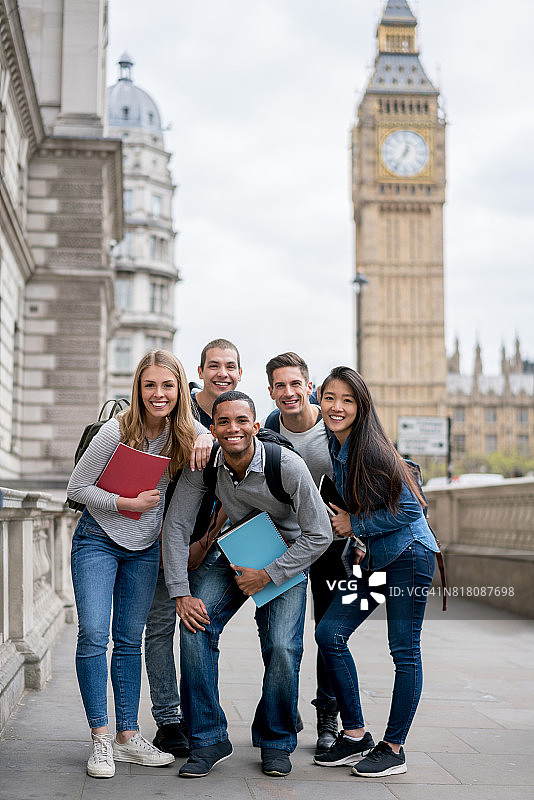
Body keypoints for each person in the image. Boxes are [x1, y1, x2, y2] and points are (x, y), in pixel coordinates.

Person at [162, 390, 332, 778]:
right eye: (223, 421)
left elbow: (319, 533)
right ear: (214, 428)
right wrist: (181, 593)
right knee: (194, 627)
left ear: (255, 426)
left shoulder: (286, 465)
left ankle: (275, 740)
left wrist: (269, 574)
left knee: (283, 646)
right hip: (236, 549)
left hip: (287, 556)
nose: (232, 429)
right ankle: (207, 738)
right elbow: (175, 527)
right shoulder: (205, 465)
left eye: (241, 421)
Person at [67, 350, 211, 779]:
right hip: (97, 541)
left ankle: (129, 737)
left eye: (167, 385)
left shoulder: (184, 435)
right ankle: (101, 739)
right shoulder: (116, 431)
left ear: (180, 389)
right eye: (150, 385)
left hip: (144, 550)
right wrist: (125, 502)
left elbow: (229, 437)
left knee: (129, 640)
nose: (159, 394)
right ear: (138, 388)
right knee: (94, 634)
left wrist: (206, 437)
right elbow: (78, 486)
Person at [313, 366, 439, 777]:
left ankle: (394, 747)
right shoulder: (338, 446)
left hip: (409, 557)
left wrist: (355, 527)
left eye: (347, 400)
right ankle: (355, 735)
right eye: (330, 398)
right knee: (329, 632)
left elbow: (410, 508)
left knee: (404, 651)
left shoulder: (373, 450)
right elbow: (366, 504)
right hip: (377, 559)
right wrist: (359, 542)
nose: (337, 407)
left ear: (361, 406)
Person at [144, 337, 242, 756]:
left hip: (210, 543)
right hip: (163, 537)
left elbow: (237, 493)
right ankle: (169, 720)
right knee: (161, 625)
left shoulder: (241, 413)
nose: (222, 373)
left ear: (239, 373)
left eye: (230, 366)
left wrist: (206, 542)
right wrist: (200, 432)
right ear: (199, 373)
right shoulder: (180, 409)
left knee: (198, 629)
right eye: (214, 365)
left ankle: (204, 718)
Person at [264, 352, 346, 754]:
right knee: (279, 633)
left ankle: (327, 715)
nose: (289, 392)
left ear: (309, 386)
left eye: (295, 384)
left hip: (332, 542)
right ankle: (283, 709)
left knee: (328, 632)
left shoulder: (331, 426)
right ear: (271, 391)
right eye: (280, 386)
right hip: (285, 542)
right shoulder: (269, 425)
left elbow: (364, 473)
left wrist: (357, 527)